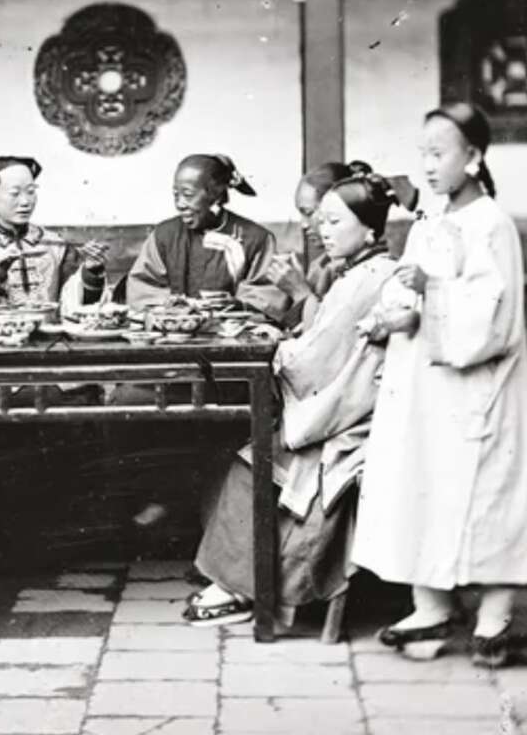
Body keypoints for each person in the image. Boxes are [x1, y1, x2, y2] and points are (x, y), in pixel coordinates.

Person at [351, 103, 527, 668]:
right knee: (423, 483)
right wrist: (396, 311)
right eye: (424, 154)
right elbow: (405, 287)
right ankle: (429, 607)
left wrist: (429, 296)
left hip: (477, 388)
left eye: (440, 154)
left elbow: (494, 317)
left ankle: (493, 615)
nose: (428, 166)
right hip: (425, 387)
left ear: (474, 157)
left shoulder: (492, 225)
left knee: (486, 496)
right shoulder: (431, 220)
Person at [183, 171, 401, 627]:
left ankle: (244, 587)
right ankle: (238, 579)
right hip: (348, 407)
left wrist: (279, 347)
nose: (322, 230)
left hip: (349, 421)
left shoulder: (364, 281)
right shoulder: (360, 272)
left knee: (253, 461)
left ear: (372, 229)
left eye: (334, 221)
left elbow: (315, 362)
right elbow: (326, 342)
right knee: (248, 454)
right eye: (319, 220)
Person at [265, 161, 419, 331]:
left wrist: (300, 292)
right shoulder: (323, 266)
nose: (303, 224)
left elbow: (328, 337)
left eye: (309, 213)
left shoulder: (372, 273)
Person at [0, 156, 107, 315]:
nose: (25, 201)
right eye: (15, 193)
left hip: (50, 338)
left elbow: (81, 306)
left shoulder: (56, 246)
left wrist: (91, 272)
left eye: (30, 191)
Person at [125, 154, 278, 311]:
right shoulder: (164, 236)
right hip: (173, 332)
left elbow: (268, 298)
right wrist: (175, 309)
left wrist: (238, 305)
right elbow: (142, 290)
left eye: (188, 195)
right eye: (176, 195)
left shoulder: (256, 239)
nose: (180, 204)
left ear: (216, 196)